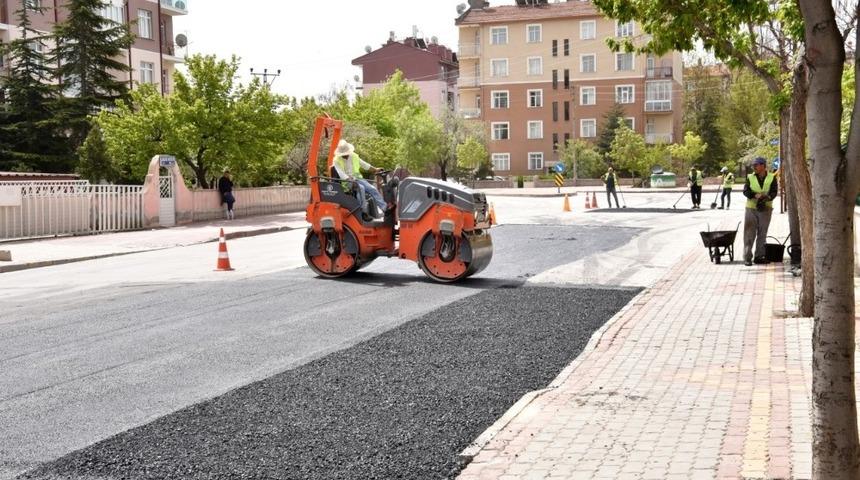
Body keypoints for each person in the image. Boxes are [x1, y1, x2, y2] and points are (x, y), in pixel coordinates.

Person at [333, 139, 386, 217]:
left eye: (347, 153)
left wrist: (375, 169)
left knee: (372, 188)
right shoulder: (336, 161)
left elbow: (364, 165)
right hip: (347, 182)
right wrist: (350, 180)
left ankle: (384, 208)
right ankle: (363, 212)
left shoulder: (354, 156)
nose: (346, 155)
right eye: (343, 154)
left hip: (358, 178)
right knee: (361, 188)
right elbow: (341, 174)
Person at [743, 157, 778, 266]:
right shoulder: (750, 177)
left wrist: (766, 197)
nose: (754, 167)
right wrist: (754, 195)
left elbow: (774, 192)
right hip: (751, 209)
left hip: (766, 208)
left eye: (756, 165)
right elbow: (745, 191)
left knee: (762, 233)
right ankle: (747, 257)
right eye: (753, 165)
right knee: (749, 233)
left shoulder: (772, 177)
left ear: (763, 166)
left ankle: (759, 256)